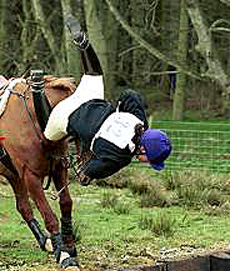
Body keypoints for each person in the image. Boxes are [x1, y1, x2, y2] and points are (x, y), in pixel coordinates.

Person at [30, 14, 172, 185]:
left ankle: (83, 44)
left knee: (94, 74)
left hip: (91, 97)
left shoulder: (139, 120)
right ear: (142, 149)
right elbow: (91, 170)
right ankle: (37, 87)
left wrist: (120, 113)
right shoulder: (120, 157)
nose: (147, 162)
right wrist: (88, 171)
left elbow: (129, 95)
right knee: (47, 135)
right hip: (67, 115)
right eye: (148, 159)